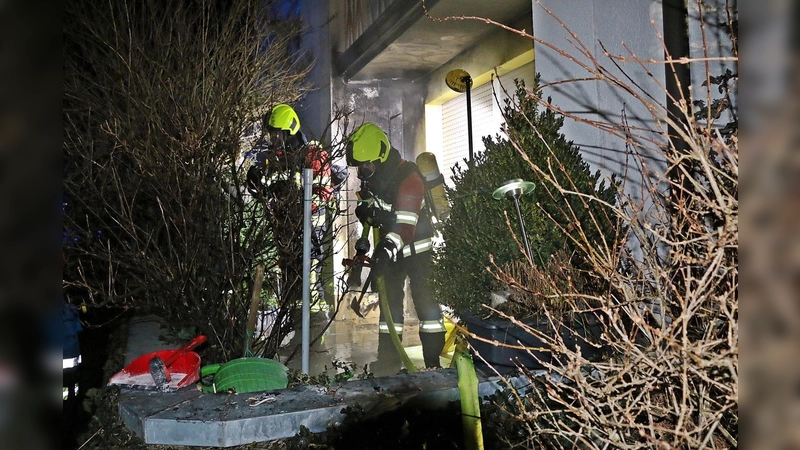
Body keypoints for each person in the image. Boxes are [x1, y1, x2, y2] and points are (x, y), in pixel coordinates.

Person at [346, 122, 445, 372]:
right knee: (389, 311)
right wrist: (365, 211)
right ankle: (388, 362)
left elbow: (405, 227)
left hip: (418, 252)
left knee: (427, 308)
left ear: (380, 157)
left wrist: (385, 250)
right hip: (391, 251)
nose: (362, 172)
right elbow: (375, 208)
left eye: (365, 166)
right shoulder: (374, 177)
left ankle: (433, 365)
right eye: (359, 167)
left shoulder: (409, 178)